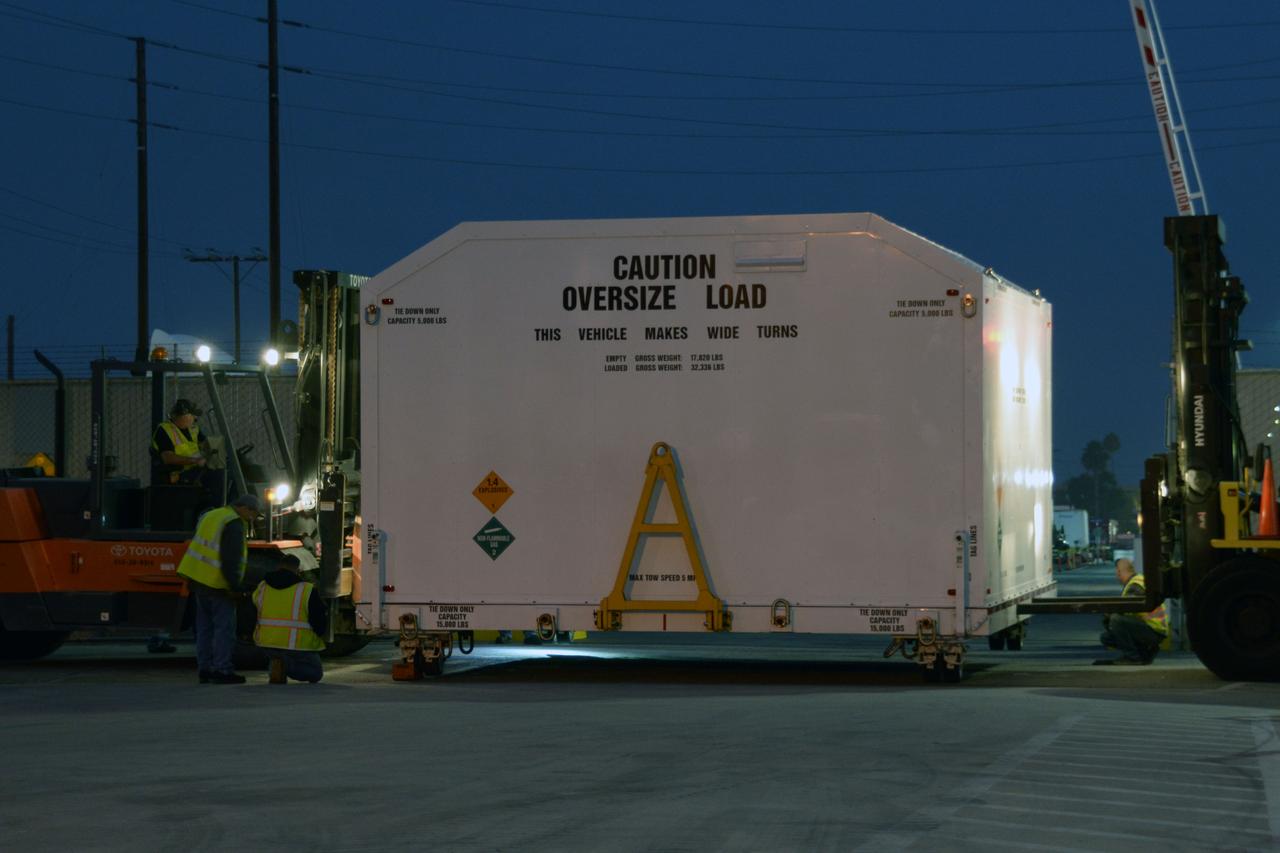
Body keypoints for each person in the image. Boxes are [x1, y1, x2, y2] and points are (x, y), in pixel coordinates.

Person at [176, 493, 262, 684]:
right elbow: (231, 559)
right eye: (254, 514)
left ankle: (205, 669)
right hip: (218, 584)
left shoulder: (212, 515)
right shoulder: (234, 523)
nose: (253, 519)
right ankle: (223, 670)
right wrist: (235, 587)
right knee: (224, 630)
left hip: (198, 580)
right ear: (245, 508)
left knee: (204, 629)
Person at [253, 553, 328, 684]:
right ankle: (284, 667)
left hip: (266, 643)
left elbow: (252, 611)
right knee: (315, 674)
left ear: (278, 567)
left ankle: (276, 664)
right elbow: (319, 619)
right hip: (297, 646)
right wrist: (319, 635)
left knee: (276, 655)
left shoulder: (262, 586)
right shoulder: (306, 589)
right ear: (298, 570)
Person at [150, 398, 225, 507]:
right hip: (178, 474)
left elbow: (207, 445)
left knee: (227, 471)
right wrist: (195, 460)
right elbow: (168, 458)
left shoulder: (193, 429)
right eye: (193, 415)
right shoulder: (164, 430)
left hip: (195, 470)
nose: (195, 418)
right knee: (217, 475)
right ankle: (217, 510)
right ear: (184, 415)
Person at [1098, 558, 1168, 665]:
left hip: (1153, 630)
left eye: (1117, 572)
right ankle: (1145, 654)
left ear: (1119, 571)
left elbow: (1126, 608)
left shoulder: (1135, 586)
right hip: (1153, 629)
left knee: (1116, 620)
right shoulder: (1139, 580)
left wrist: (1108, 614)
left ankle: (1133, 657)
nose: (1117, 576)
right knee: (1107, 637)